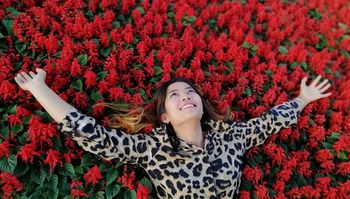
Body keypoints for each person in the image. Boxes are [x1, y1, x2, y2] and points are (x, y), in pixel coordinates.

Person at [14, 68, 331, 198]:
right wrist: (39, 88)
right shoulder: (151, 149)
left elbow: (268, 123)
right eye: (175, 95)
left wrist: (303, 99)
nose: (187, 96)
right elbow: (93, 134)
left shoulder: (232, 136)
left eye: (191, 92)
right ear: (164, 115)